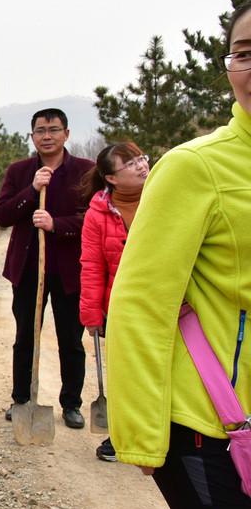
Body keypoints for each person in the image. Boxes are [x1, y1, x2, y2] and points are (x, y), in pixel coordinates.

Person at [107, 1, 251, 509]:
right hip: (210, 426)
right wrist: (141, 436)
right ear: (227, 68)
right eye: (245, 51)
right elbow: (139, 302)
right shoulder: (197, 168)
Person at [0, 109, 94, 429]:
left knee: (71, 340)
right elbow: (2, 215)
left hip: (69, 270)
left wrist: (56, 224)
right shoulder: (20, 171)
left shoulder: (86, 171)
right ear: (32, 136)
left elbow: (94, 218)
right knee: (25, 337)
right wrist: (32, 191)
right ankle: (21, 398)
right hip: (27, 269)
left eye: (53, 130)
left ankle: (72, 403)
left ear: (66, 133)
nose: (46, 136)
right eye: (40, 131)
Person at [77, 141, 150, 462]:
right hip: (123, 307)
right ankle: (121, 435)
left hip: (171, 303)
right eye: (130, 163)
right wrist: (91, 313)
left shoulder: (162, 197)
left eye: (141, 159)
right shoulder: (98, 214)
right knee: (127, 373)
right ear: (111, 178)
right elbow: (92, 265)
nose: (142, 165)